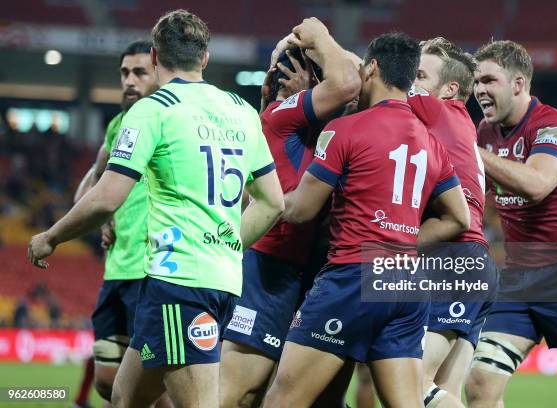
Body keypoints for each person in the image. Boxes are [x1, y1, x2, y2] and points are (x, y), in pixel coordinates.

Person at [28, 9, 284, 407]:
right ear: (205, 58)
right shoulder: (241, 109)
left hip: (180, 284)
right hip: (217, 280)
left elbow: (106, 197)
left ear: (153, 57)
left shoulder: (153, 110)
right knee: (123, 398)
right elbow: (272, 201)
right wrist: (229, 246)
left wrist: (51, 236)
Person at [262, 32, 471, 408]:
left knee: (282, 401)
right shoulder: (431, 141)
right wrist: (400, 242)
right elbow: (459, 217)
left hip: (351, 278)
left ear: (371, 67)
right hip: (406, 282)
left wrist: (258, 195)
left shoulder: (346, 129)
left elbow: (299, 211)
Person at [219, 18, 360, 408]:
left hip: (310, 270)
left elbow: (361, 84)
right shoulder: (282, 116)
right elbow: (352, 81)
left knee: (301, 395)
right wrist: (322, 43)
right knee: (237, 390)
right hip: (271, 266)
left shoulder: (323, 129)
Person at [465, 40, 557, 408]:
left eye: (488, 80)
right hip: (517, 279)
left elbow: (536, 185)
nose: (479, 89)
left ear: (517, 83)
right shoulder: (484, 132)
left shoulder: (552, 124)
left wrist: (468, 150)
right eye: (476, 81)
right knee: (480, 385)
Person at [408, 37, 497, 408]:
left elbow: (379, 80)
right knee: (446, 390)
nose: (411, 81)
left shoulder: (438, 112)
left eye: (420, 75)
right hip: (473, 261)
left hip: (453, 260)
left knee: (412, 384)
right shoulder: (460, 125)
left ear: (450, 89)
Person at [73, 40, 158, 404]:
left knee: (155, 387)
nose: (129, 81)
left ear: (159, 73)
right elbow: (90, 187)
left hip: (154, 269)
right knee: (107, 381)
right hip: (117, 269)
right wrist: (100, 213)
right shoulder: (117, 126)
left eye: (139, 72)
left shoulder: (168, 119)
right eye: (124, 73)